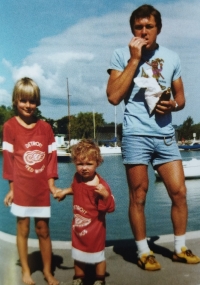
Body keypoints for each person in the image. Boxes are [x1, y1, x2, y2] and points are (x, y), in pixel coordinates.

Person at [106, 4, 200, 271]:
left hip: (165, 135)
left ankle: (180, 248)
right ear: (132, 30)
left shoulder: (172, 57)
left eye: (149, 26)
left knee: (179, 192)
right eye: (139, 27)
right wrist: (134, 60)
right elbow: (113, 96)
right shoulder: (120, 55)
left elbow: (181, 99)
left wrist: (173, 105)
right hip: (136, 134)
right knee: (139, 195)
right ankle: (143, 251)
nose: (144, 31)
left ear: (158, 28)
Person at [3, 77, 61, 285]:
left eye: (32, 101)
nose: (28, 106)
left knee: (43, 230)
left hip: (40, 190)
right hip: (21, 187)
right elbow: (8, 161)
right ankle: (25, 271)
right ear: (15, 101)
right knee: (23, 229)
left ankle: (47, 271)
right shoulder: (9, 127)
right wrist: (11, 188)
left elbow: (52, 158)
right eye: (23, 101)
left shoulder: (45, 128)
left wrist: (52, 183)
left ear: (37, 102)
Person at [54, 139, 115, 285]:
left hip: (95, 229)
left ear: (97, 163)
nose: (84, 168)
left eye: (89, 164)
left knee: (98, 256)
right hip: (78, 227)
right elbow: (75, 189)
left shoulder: (101, 186)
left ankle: (100, 279)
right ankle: (79, 277)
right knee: (78, 254)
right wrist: (64, 192)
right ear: (75, 163)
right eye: (80, 164)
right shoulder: (77, 178)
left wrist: (105, 195)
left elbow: (111, 208)